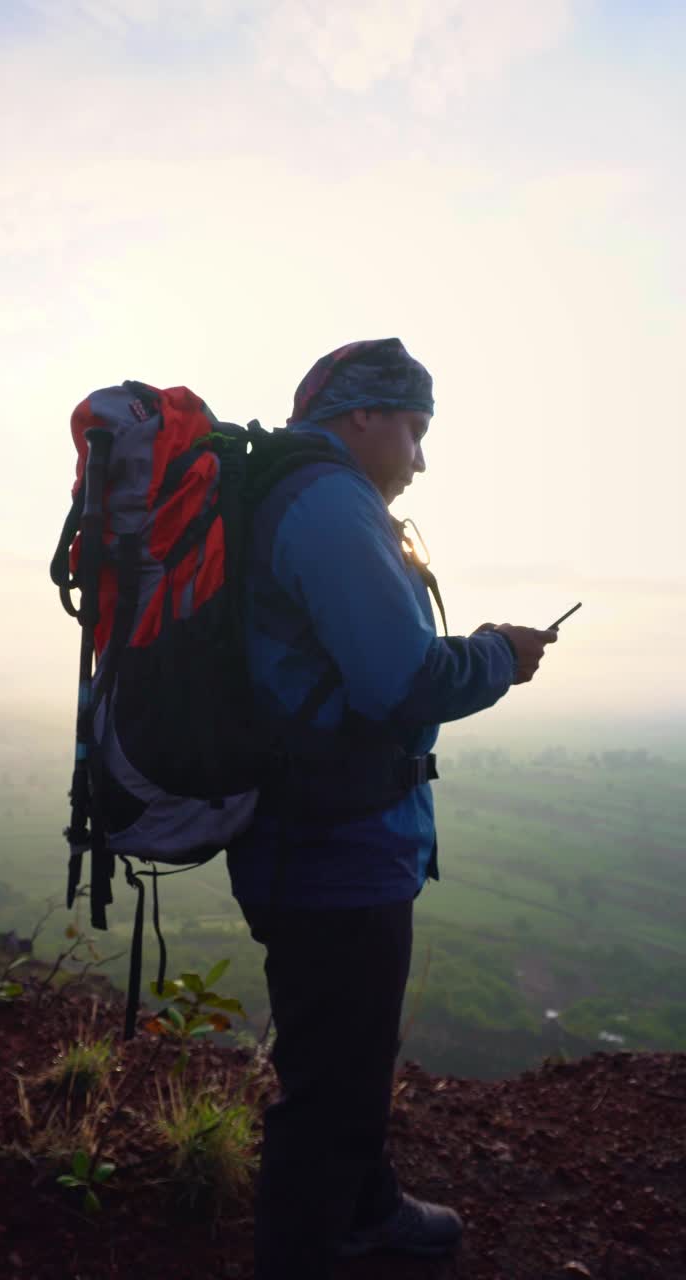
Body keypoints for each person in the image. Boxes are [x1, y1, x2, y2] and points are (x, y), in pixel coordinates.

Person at [226, 337, 557, 1280]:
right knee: (333, 1077)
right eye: (415, 429)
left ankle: (365, 1207)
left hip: (312, 834)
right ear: (361, 417)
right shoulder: (330, 504)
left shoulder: (291, 495)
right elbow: (401, 681)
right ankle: (308, 1251)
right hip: (331, 844)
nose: (421, 457)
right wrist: (498, 652)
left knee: (347, 1050)